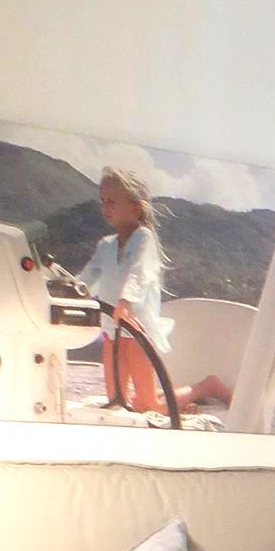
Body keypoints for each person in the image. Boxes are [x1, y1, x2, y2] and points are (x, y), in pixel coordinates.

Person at [75, 168, 229, 415]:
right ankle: (169, 401)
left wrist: (126, 302)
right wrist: (70, 291)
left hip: (138, 332)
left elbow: (140, 272)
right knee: (119, 402)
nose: (105, 207)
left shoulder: (144, 239)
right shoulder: (106, 246)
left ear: (136, 207)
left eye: (112, 201)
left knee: (148, 407)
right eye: (103, 200)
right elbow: (88, 277)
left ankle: (206, 387)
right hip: (111, 331)